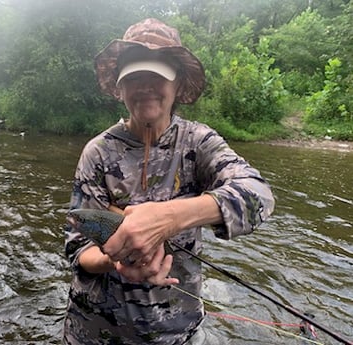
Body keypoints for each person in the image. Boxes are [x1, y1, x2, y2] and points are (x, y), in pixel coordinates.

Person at [63, 18, 275, 345]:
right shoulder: (97, 153)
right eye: (134, 76)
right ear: (120, 88)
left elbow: (259, 194)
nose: (146, 85)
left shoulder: (199, 143)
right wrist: (116, 259)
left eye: (158, 74)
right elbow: (78, 251)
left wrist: (169, 218)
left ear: (177, 85)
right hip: (95, 333)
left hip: (177, 334)